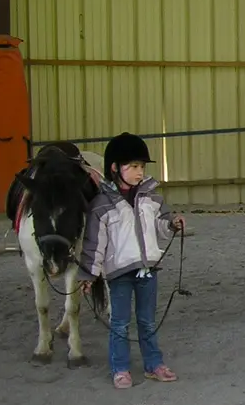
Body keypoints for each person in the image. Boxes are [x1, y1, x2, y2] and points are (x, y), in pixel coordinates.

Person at [78, 132, 185, 389]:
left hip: (148, 270)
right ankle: (120, 368)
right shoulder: (102, 205)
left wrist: (171, 223)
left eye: (142, 167)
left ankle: (153, 364)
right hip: (119, 273)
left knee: (148, 321)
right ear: (115, 168)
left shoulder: (152, 197)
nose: (139, 172)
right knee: (120, 323)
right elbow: (94, 245)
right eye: (134, 166)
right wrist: (88, 275)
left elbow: (160, 224)